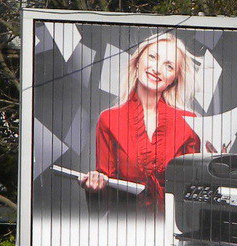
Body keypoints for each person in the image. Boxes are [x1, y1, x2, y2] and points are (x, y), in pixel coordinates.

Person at [79, 33, 201, 211]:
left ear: (174, 79)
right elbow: (106, 193)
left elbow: (193, 190)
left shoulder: (190, 122)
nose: (157, 69)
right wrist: (95, 183)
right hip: (124, 227)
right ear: (137, 62)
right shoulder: (109, 120)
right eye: (153, 57)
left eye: (169, 66)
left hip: (170, 228)